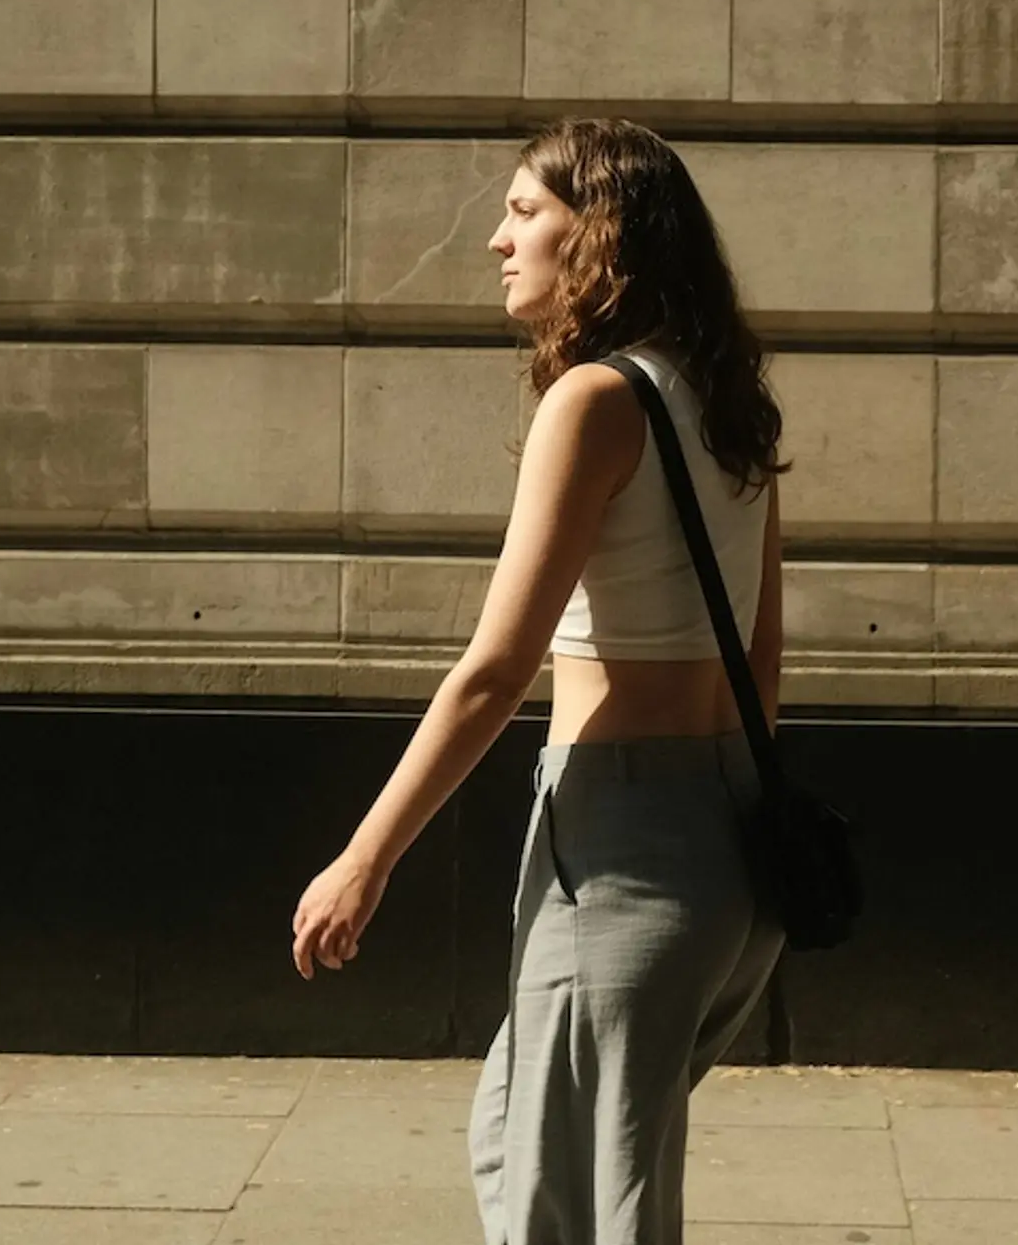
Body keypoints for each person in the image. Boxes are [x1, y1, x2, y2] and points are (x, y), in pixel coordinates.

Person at [290, 115, 789, 1243]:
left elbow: (494, 670)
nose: (496, 241)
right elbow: (762, 665)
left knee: (561, 1205)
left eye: (524, 212)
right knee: (556, 1163)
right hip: (724, 849)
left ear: (596, 232)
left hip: (617, 849)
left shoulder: (596, 401)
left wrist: (363, 861)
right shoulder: (721, 398)